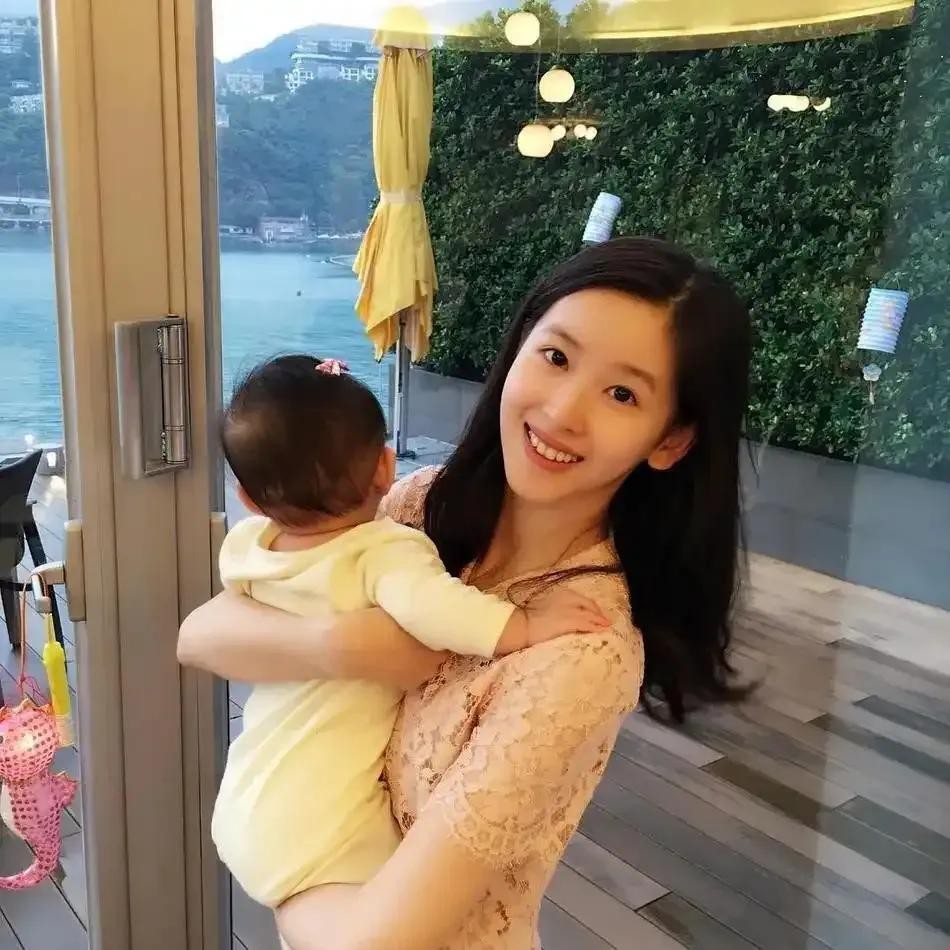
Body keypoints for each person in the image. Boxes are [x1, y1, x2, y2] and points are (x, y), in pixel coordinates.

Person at [178, 236, 752, 949]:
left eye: (622, 394)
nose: (563, 411)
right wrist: (344, 644)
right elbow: (199, 634)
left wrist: (276, 874)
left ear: (670, 441)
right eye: (557, 357)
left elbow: (368, 945)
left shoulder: (584, 652)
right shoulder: (420, 505)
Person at [208, 355, 608, 908]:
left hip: (249, 785)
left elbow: (213, 621)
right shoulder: (382, 550)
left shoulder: (249, 548)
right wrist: (524, 623)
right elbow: (437, 609)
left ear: (248, 499)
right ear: (385, 467)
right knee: (387, 901)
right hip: (321, 816)